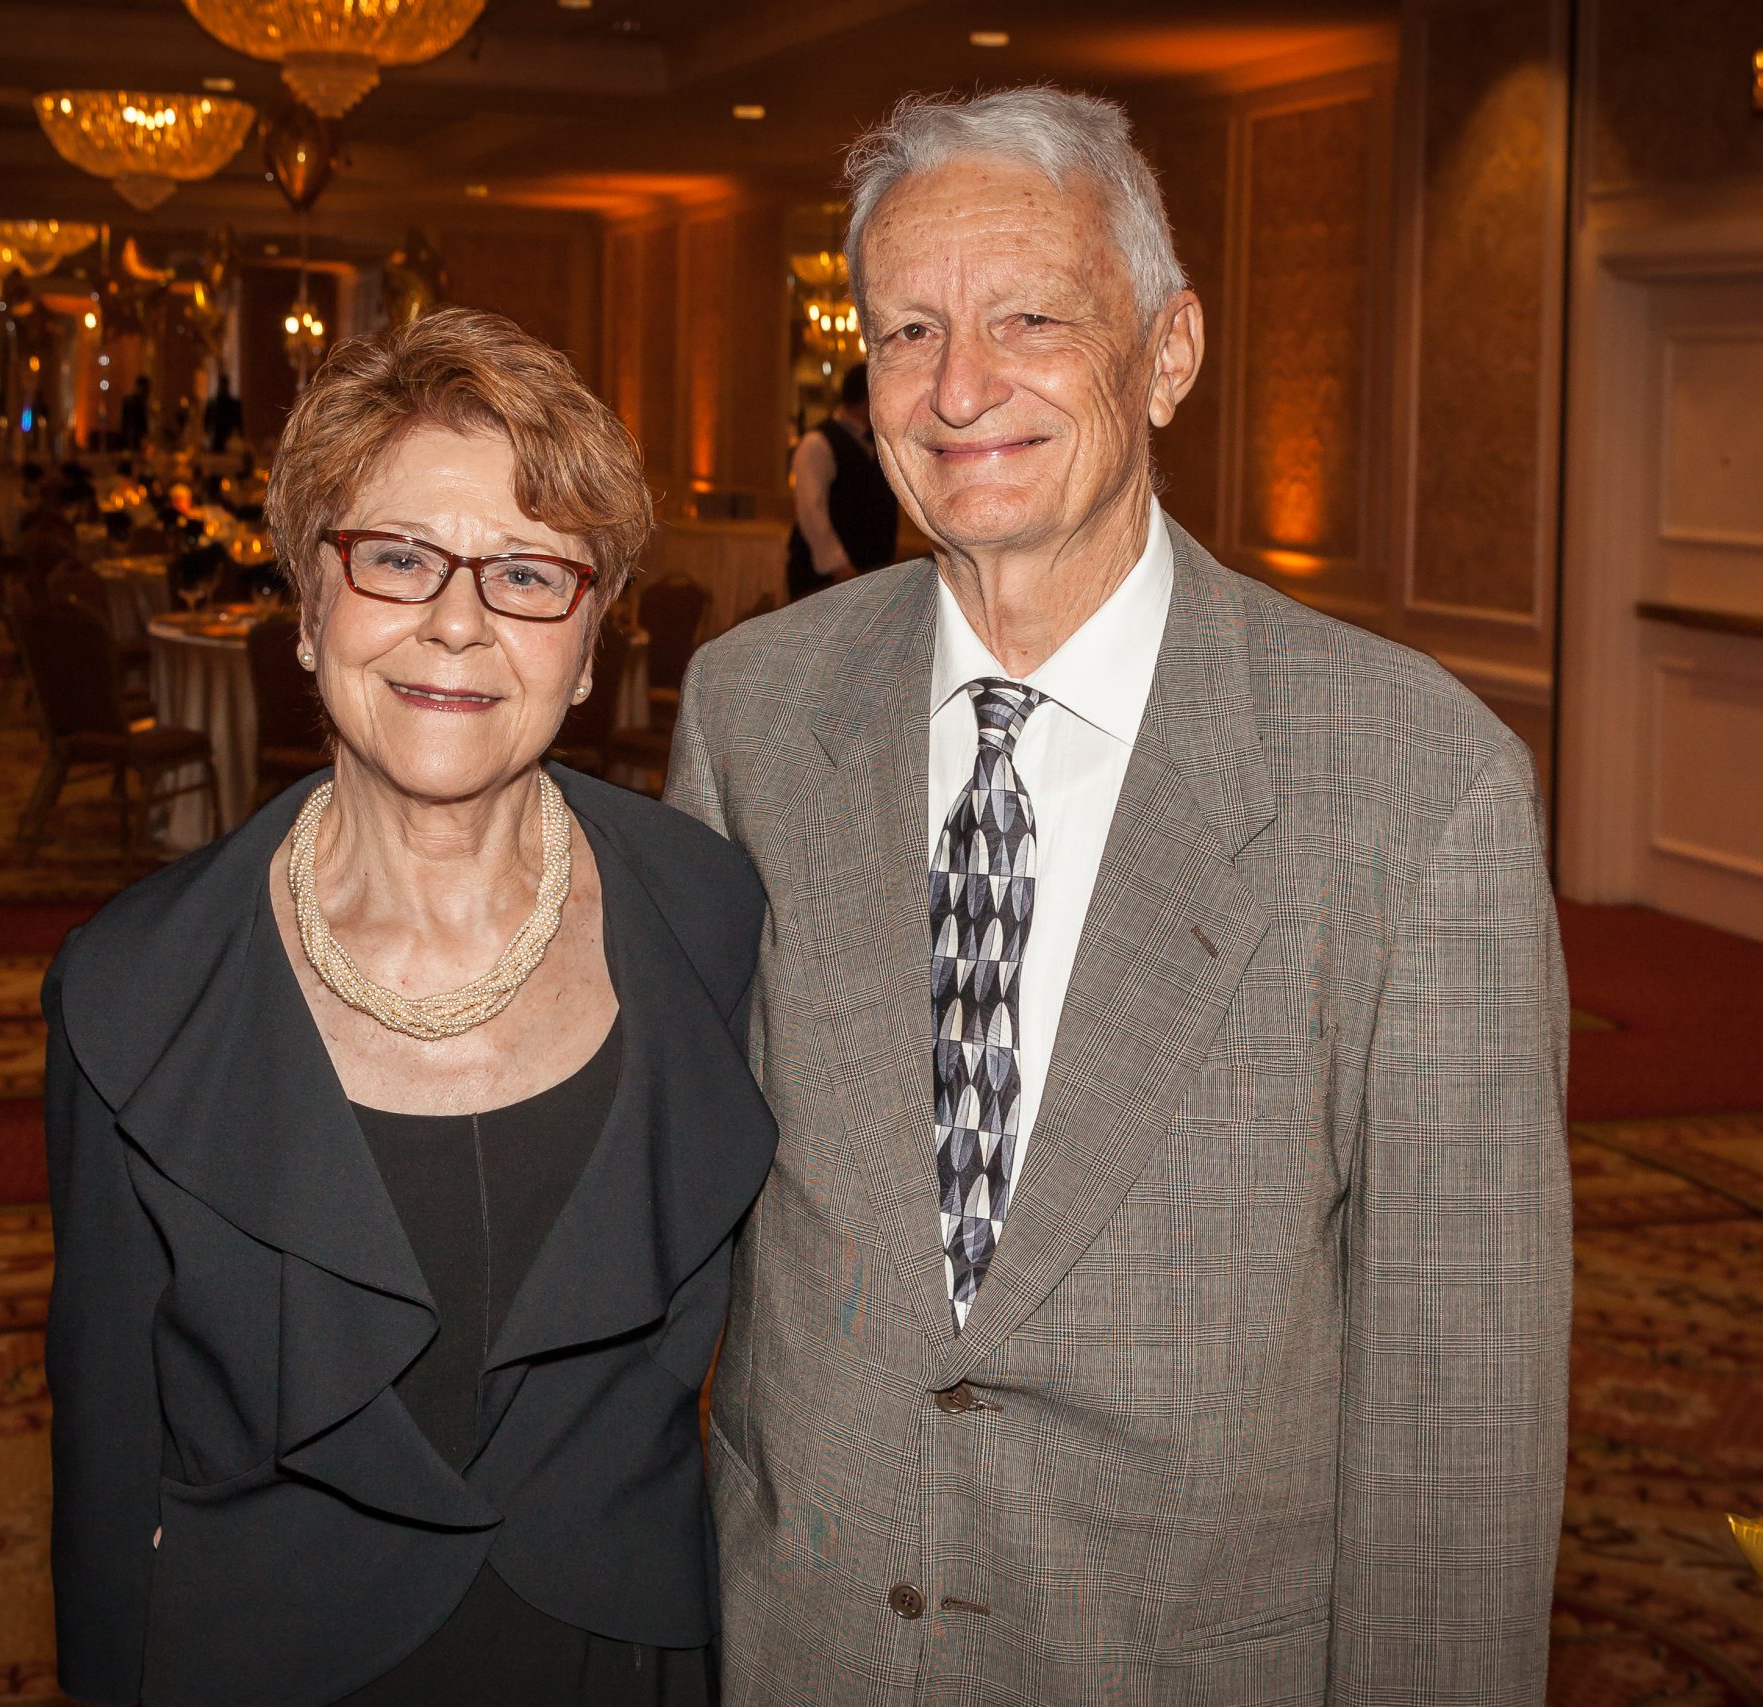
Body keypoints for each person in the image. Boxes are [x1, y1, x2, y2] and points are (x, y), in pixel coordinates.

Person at [669, 86, 1571, 1704]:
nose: (960, 388)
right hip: (804, 1642)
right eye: (908, 331)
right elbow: (681, 1212)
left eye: (1031, 318)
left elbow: (1458, 1415)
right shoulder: (750, 711)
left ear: (1168, 351)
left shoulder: (1417, 786)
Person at [45, 307, 776, 1707]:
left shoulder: (711, 913)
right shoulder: (132, 989)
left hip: (621, 1654)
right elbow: (104, 1447)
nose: (456, 619)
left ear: (589, 642)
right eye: (396, 556)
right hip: (265, 1662)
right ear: (307, 607)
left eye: (526, 572)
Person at [783, 362, 899, 600]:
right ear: (868, 397)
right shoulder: (818, 442)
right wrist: (838, 566)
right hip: (825, 579)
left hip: (872, 573)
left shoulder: (881, 443)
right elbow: (811, 510)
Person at [206, 369, 245, 453]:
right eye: (221, 384)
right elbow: (207, 421)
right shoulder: (213, 403)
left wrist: (240, 436)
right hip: (215, 438)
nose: (222, 387)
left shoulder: (233, 403)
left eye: (223, 384)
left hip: (229, 437)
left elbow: (239, 421)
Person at [117, 373, 153, 452]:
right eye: (146, 388)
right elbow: (129, 424)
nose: (147, 392)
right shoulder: (133, 402)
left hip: (132, 441)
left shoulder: (133, 401)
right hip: (132, 442)